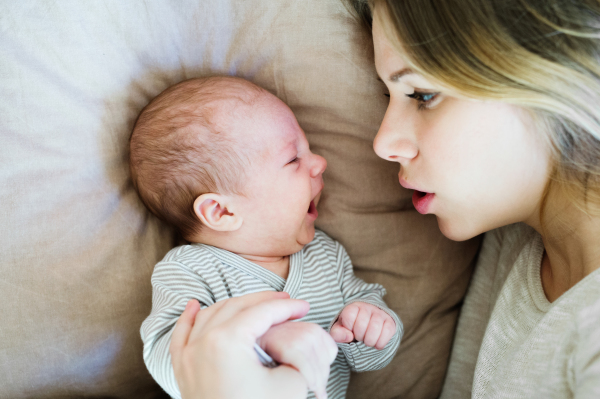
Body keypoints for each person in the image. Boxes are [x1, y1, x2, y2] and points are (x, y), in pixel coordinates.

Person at [169, 0, 600, 397]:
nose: (382, 144)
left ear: (557, 68)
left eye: (422, 95)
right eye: (388, 97)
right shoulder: (515, 238)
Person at [129, 76, 403, 399]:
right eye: (293, 159)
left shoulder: (326, 257)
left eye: (308, 148)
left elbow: (368, 354)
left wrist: (369, 326)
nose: (319, 163)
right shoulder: (190, 271)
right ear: (221, 212)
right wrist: (258, 342)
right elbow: (167, 356)